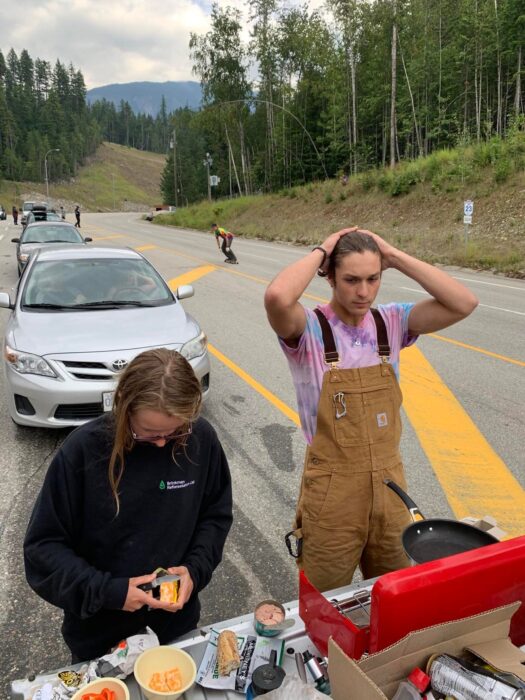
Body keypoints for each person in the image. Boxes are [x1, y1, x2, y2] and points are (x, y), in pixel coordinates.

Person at [264, 228, 478, 592]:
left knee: (395, 592)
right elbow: (277, 296)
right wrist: (324, 248)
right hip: (332, 493)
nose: (363, 291)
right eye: (350, 280)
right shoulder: (309, 329)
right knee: (325, 599)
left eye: (373, 278)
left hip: (390, 487)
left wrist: (393, 255)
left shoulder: (390, 323)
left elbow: (464, 302)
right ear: (329, 276)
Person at [24, 348, 233, 662]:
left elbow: (215, 516)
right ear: (124, 406)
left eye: (175, 431)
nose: (163, 443)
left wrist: (194, 570)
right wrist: (111, 591)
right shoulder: (82, 451)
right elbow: (43, 549)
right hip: (100, 632)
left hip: (175, 625)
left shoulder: (200, 439)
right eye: (148, 432)